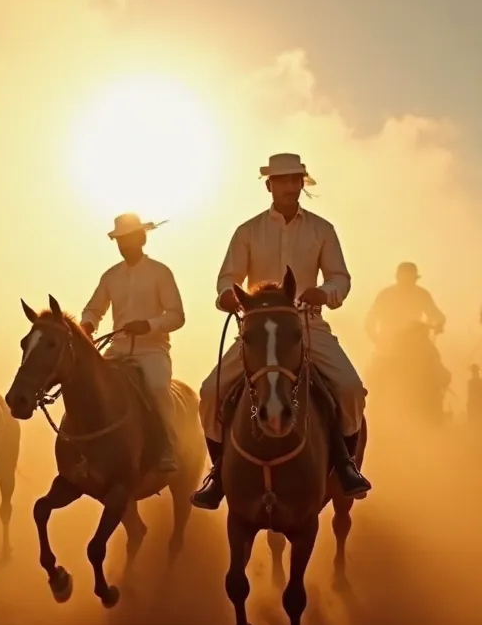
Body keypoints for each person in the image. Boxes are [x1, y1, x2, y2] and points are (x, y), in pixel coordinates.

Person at [192, 152, 371, 510]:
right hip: (259, 330)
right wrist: (227, 295)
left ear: (302, 183)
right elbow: (228, 277)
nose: (291, 186)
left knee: (351, 389)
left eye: (296, 179)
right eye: (283, 180)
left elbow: (341, 277)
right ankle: (218, 472)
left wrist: (327, 292)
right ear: (269, 185)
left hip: (308, 325)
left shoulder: (323, 229)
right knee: (210, 391)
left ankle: (346, 466)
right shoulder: (247, 231)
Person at [80, 212, 185, 472]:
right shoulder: (110, 276)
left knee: (159, 386)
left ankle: (167, 447)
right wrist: (87, 325)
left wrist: (148, 325)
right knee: (89, 386)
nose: (123, 245)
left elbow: (176, 316)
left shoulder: (161, 272)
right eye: (119, 240)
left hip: (153, 350)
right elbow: (94, 309)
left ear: (142, 239)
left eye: (128, 239)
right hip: (118, 349)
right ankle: (82, 451)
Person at [365, 262, 445, 349]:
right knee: (378, 362)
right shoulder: (385, 295)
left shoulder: (422, 295)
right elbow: (371, 319)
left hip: (415, 344)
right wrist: (377, 340)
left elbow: (436, 315)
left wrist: (438, 324)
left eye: (410, 279)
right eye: (404, 279)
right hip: (388, 345)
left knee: (433, 360)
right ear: (397, 278)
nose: (407, 282)